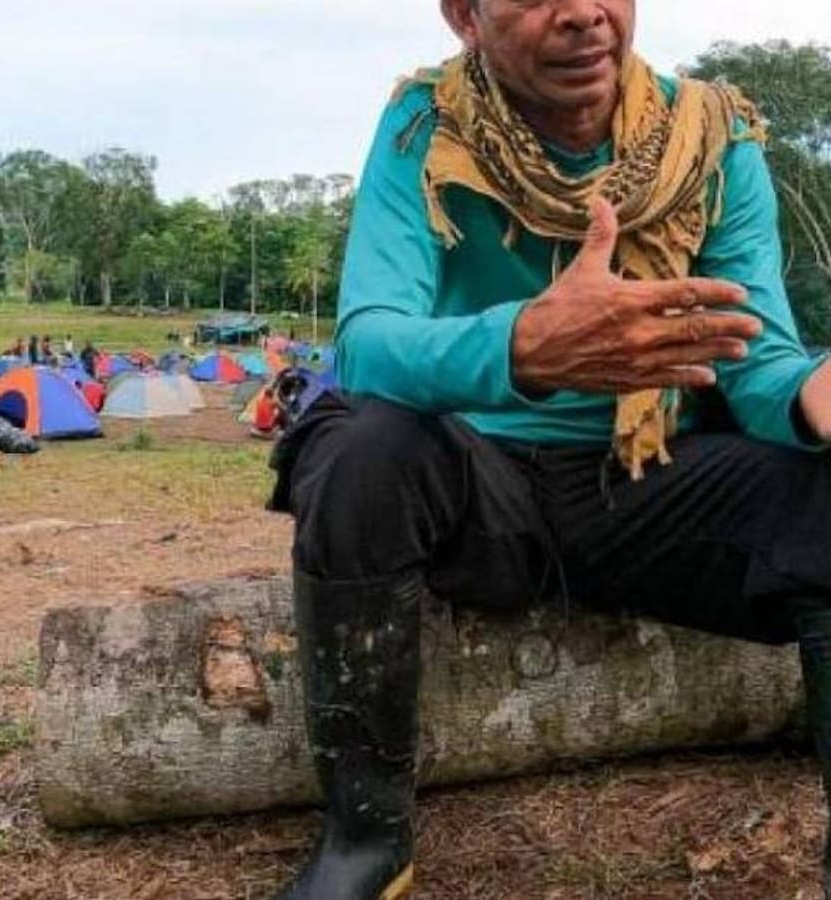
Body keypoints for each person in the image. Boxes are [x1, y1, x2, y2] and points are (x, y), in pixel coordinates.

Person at [267, 3, 831, 899]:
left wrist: (811, 394)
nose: (582, 14)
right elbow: (368, 344)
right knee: (358, 444)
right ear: (465, 15)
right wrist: (520, 347)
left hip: (655, 487)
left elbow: (753, 357)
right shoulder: (426, 123)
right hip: (480, 491)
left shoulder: (716, 135)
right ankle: (364, 839)